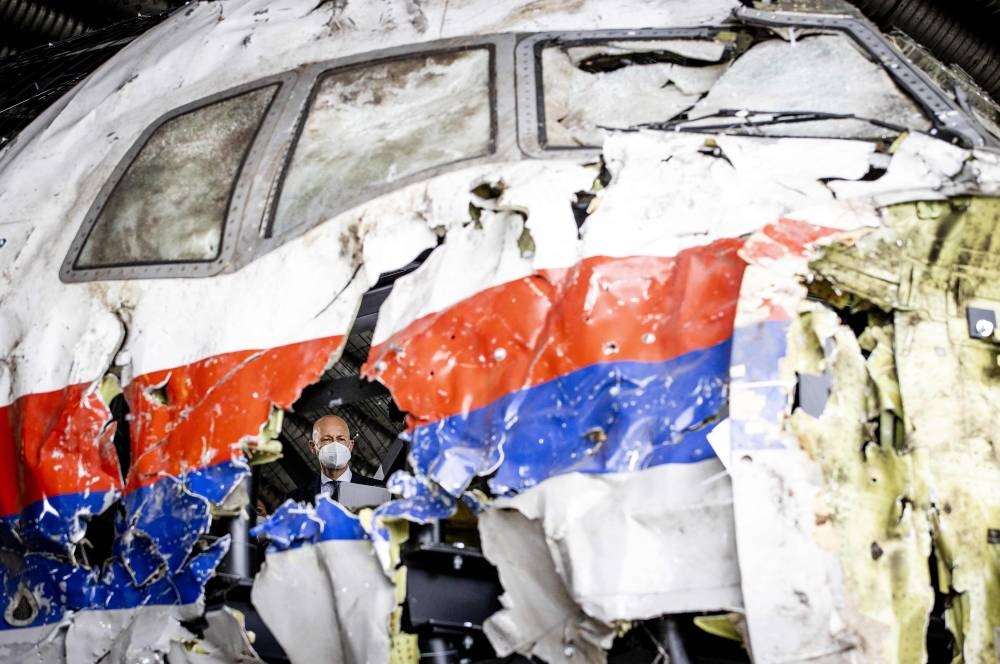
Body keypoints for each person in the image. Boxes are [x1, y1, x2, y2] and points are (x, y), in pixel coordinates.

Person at [288, 414, 381, 504]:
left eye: (341, 439)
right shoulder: (294, 501)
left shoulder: (378, 491)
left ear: (351, 445)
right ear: (313, 447)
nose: (335, 445)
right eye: (326, 439)